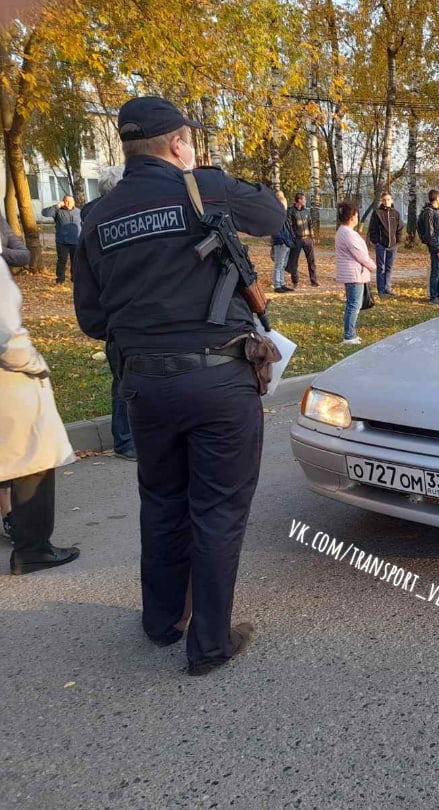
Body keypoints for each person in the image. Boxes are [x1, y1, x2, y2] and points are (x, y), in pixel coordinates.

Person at [72, 96, 285, 675]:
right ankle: (210, 645)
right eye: (189, 138)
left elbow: (92, 320)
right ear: (176, 144)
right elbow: (271, 216)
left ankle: (162, 622)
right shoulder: (204, 188)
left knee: (162, 503)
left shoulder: (96, 216)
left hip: (143, 385)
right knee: (217, 509)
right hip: (218, 380)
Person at [1, 212, 81, 575]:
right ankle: (32, 548)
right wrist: (34, 362)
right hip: (10, 381)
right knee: (32, 462)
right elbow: (6, 336)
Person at [82, 165, 137, 461]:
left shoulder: (94, 216)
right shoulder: (107, 220)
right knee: (124, 381)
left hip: (115, 315)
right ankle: (125, 441)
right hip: (119, 313)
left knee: (126, 378)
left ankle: (129, 438)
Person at [335, 200, 376, 345]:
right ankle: (349, 335)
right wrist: (373, 266)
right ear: (352, 217)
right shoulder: (348, 234)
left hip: (354, 273)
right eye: (357, 215)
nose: (358, 218)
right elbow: (360, 255)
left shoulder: (345, 231)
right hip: (354, 274)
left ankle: (350, 333)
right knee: (354, 305)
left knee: (353, 304)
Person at [368, 190, 403, 297]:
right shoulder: (377, 213)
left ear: (391, 200)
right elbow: (372, 228)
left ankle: (388, 287)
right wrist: (376, 242)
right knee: (381, 267)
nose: (386, 202)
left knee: (389, 267)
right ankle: (381, 290)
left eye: (388, 199)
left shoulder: (395, 213)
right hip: (381, 245)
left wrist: (398, 240)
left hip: (393, 245)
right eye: (384, 200)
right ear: (381, 201)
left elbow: (399, 228)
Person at [418, 189, 439, 303]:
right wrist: (437, 249)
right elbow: (430, 233)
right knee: (436, 270)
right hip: (436, 247)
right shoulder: (429, 212)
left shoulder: (436, 212)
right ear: (437, 198)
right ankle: (433, 296)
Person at [286, 191, 319, 288]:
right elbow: (289, 225)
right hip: (297, 239)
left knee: (311, 260)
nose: (305, 201)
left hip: (307, 239)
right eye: (304, 199)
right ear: (299, 200)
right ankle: (295, 281)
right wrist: (292, 237)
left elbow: (310, 224)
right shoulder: (291, 211)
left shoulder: (306, 211)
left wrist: (312, 238)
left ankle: (314, 281)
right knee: (294, 261)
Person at [53, 194, 81, 284]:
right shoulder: (58, 211)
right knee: (62, 261)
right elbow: (45, 213)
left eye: (70, 201)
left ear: (74, 202)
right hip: (62, 241)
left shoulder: (79, 212)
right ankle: (60, 279)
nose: (68, 203)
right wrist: (57, 206)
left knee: (75, 261)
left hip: (75, 241)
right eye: (66, 201)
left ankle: (75, 278)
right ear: (63, 202)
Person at [270, 190, 294, 292]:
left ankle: (282, 283)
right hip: (281, 242)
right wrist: (282, 240)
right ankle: (277, 284)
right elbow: (275, 230)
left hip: (286, 241)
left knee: (283, 264)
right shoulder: (276, 215)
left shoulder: (284, 215)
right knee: (279, 264)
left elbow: (288, 228)